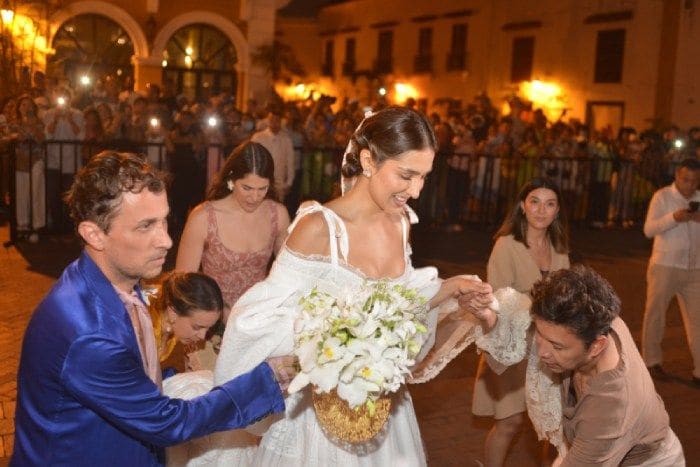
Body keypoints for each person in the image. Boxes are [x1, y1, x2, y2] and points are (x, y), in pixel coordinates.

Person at [209, 106, 492, 465]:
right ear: (368, 160)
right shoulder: (318, 227)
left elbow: (397, 307)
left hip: (385, 414)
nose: (416, 191)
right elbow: (256, 319)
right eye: (406, 175)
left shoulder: (402, 222)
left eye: (423, 177)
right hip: (317, 421)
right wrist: (332, 338)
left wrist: (450, 288)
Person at [11, 151, 295, 466]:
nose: (166, 241)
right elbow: (168, 424)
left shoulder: (115, 285)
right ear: (94, 234)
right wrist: (265, 380)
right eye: (146, 226)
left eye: (164, 221)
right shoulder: (89, 332)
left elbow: (130, 376)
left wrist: (179, 379)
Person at [463, 266, 685, 466]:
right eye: (540, 334)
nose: (542, 353)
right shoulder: (595, 319)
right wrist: (487, 316)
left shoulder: (609, 409)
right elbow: (516, 322)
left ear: (597, 346)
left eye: (557, 347)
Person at [473, 178, 570, 467]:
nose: (541, 210)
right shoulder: (506, 245)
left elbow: (565, 291)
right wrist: (539, 302)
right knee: (510, 422)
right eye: (535, 202)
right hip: (512, 346)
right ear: (522, 206)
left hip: (550, 350)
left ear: (557, 211)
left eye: (550, 204)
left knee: (552, 427)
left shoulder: (559, 246)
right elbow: (500, 299)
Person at [176, 141, 290, 322]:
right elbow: (182, 284)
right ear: (231, 180)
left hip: (259, 317)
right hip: (213, 321)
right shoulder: (203, 217)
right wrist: (219, 315)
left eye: (262, 189)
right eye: (247, 188)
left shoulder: (278, 214)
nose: (254, 197)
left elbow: (289, 273)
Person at [641, 157, 700, 383]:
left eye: (695, 181)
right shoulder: (662, 196)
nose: (690, 185)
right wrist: (674, 218)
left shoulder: (699, 197)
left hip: (695, 268)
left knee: (697, 320)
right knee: (655, 314)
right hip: (665, 265)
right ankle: (651, 361)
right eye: (686, 180)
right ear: (677, 175)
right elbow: (648, 230)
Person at [147, 271, 224, 365]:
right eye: (197, 327)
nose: (202, 336)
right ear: (173, 313)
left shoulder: (173, 324)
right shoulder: (142, 330)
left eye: (208, 328)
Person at [10, 94, 46, 241]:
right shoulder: (14, 123)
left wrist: (32, 125)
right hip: (20, 161)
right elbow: (11, 138)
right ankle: (22, 225)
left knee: (36, 192)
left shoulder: (39, 122)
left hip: (36, 160)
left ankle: (37, 225)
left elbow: (41, 138)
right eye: (23, 105)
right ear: (19, 108)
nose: (26, 107)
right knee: (21, 193)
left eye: (29, 104)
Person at [251, 110, 295, 202]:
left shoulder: (286, 139)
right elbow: (252, 158)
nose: (274, 123)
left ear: (281, 122)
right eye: (272, 120)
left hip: (278, 182)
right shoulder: (258, 137)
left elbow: (290, 162)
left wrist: (289, 183)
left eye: (277, 120)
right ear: (268, 121)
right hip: (260, 179)